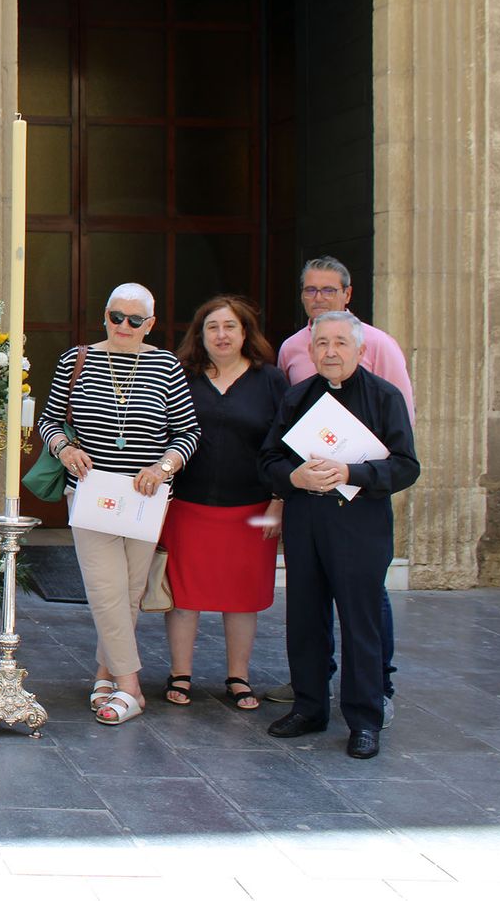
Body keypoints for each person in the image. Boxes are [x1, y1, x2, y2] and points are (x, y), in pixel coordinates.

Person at [38, 282, 200, 726]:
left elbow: (188, 433)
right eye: (116, 316)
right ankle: (132, 689)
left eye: (134, 320)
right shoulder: (78, 359)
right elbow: (49, 421)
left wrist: (163, 468)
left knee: (128, 593)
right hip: (90, 492)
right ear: (104, 316)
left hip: (146, 497)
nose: (123, 326)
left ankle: (106, 675)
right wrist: (64, 450)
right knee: (105, 591)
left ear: (150, 324)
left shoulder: (166, 366)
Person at [261, 311, 419, 759]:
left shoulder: (385, 398)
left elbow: (407, 465)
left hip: (360, 528)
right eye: (322, 344)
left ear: (360, 349)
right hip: (307, 524)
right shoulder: (296, 398)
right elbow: (268, 460)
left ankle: (365, 719)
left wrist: (352, 471)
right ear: (310, 351)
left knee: (361, 623)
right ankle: (310, 708)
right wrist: (296, 478)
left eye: (340, 343)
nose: (330, 351)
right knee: (306, 620)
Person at [161, 296, 288, 711]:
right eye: (212, 327)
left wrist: (278, 502)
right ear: (200, 335)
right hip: (187, 505)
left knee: (243, 596)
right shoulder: (182, 376)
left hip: (251, 507)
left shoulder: (271, 381)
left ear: (245, 332)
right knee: (184, 597)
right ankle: (180, 674)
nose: (221, 334)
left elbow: (285, 446)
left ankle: (239, 676)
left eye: (230, 326)